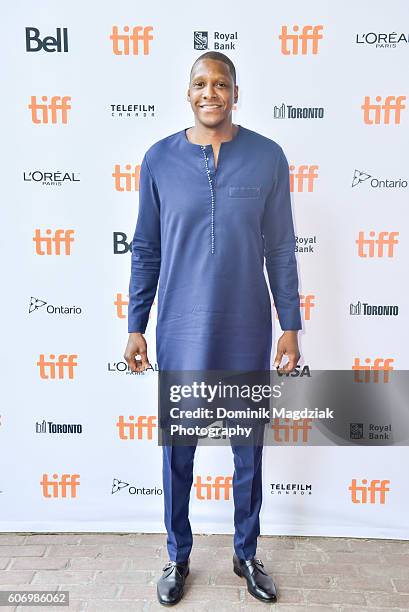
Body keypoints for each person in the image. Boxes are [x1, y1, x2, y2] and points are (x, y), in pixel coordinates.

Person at [124, 51, 302, 605]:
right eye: (200, 83)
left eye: (220, 84)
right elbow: (146, 249)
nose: (210, 93)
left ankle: (246, 554)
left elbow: (281, 248)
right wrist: (136, 324)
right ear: (188, 92)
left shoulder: (268, 157)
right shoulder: (158, 160)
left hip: (248, 328)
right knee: (179, 449)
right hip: (179, 330)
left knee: (248, 448)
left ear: (235, 91)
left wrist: (290, 325)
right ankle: (177, 557)